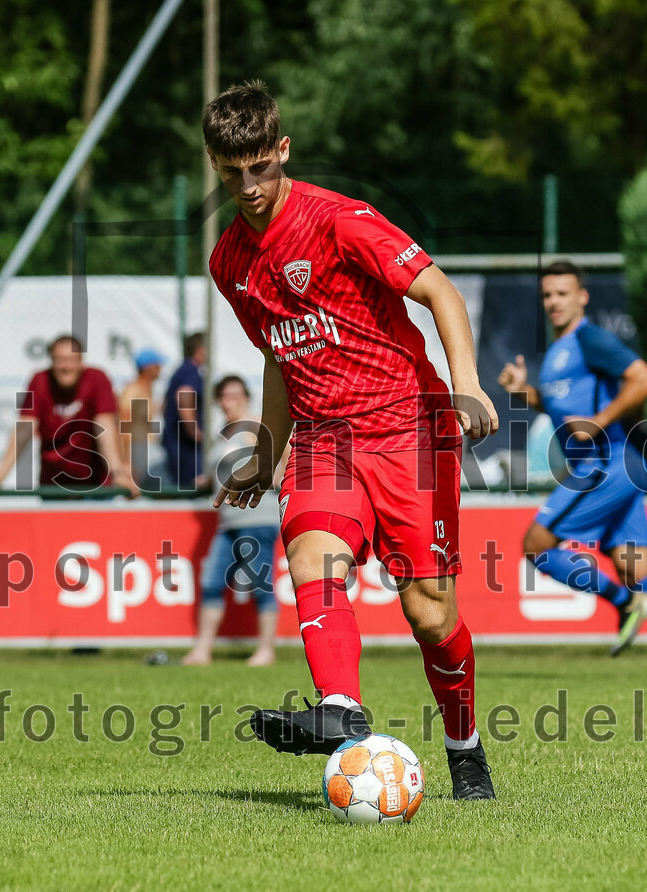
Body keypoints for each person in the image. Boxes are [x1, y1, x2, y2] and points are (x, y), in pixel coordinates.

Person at [204, 81, 499, 801]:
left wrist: (467, 383)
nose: (247, 186)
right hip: (323, 441)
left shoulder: (339, 220)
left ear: (283, 151)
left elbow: (440, 292)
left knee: (430, 614)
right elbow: (280, 354)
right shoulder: (229, 264)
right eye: (230, 171)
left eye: (259, 167)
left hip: (408, 428)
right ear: (214, 165)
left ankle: (464, 749)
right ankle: (339, 707)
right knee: (311, 552)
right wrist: (268, 456)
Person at [498, 261, 647, 678]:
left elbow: (644, 380)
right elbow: (563, 409)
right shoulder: (558, 352)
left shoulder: (590, 339)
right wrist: (524, 392)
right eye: (548, 294)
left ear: (582, 296)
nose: (553, 302)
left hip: (606, 465)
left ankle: (623, 604)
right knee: (633, 567)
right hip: (622, 466)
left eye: (563, 293)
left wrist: (600, 423)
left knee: (536, 545)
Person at [182, 375, 287, 667]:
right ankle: (202, 651)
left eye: (234, 395)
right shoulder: (223, 432)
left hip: (257, 516)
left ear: (245, 397)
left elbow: (282, 454)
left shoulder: (253, 425)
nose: (228, 401)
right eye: (223, 396)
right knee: (212, 582)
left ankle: (266, 650)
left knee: (260, 584)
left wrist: (277, 475)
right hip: (228, 521)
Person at [0, 334, 130, 499]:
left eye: (71, 359)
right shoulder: (39, 381)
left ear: (81, 362)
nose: (66, 366)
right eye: (60, 359)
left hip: (95, 486)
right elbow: (24, 428)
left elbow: (105, 426)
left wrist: (118, 473)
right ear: (51, 361)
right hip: (54, 485)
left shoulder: (97, 379)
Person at [161, 332, 206, 491]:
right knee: (192, 487)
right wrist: (195, 432)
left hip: (176, 441)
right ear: (200, 350)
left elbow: (165, 404)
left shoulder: (182, 370)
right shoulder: (191, 371)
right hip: (186, 446)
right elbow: (184, 394)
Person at [117, 348, 166, 492]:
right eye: (157, 365)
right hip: (138, 449)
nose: (160, 369)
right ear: (148, 368)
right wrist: (126, 461)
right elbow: (124, 425)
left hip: (146, 447)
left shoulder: (145, 389)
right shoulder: (135, 390)